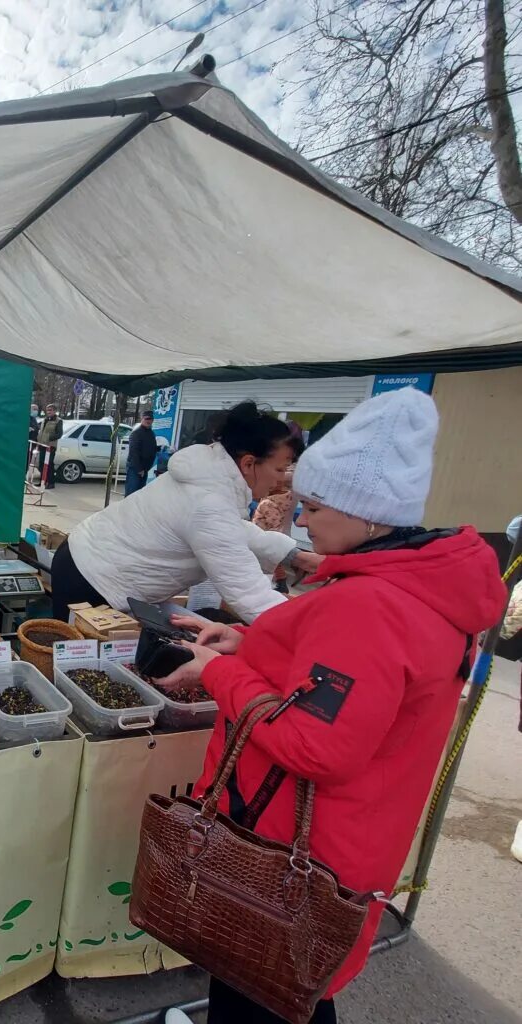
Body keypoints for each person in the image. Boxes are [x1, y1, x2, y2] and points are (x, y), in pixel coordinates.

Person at [152, 387, 506, 1024]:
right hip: (351, 835)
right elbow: (340, 679)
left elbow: (317, 744)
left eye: (312, 506)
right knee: (294, 982)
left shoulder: (371, 605)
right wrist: (249, 641)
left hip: (299, 839)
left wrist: (224, 672)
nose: (301, 521)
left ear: (367, 513)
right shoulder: (407, 583)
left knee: (261, 976)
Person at [50, 401, 322, 624]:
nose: (281, 480)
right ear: (249, 463)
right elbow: (251, 595)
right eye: (278, 469)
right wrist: (313, 630)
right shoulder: (209, 502)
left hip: (84, 555)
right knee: (72, 662)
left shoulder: (209, 475)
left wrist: (296, 556)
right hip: (92, 578)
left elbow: (232, 530)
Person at [125, 411, 158, 496]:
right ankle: (127, 509)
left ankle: (135, 509)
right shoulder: (136, 433)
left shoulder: (151, 433)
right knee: (131, 494)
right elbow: (134, 452)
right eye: (146, 418)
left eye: (151, 419)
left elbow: (151, 448)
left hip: (145, 469)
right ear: (142, 419)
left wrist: (160, 448)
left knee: (140, 494)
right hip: (135, 469)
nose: (149, 421)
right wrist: (139, 469)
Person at [36, 404, 63, 489]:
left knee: (49, 464)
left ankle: (51, 483)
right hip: (42, 445)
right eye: (47, 410)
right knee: (41, 464)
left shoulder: (58, 421)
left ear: (54, 411)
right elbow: (41, 431)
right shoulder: (45, 419)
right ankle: (42, 481)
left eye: (50, 410)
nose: (48, 412)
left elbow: (59, 434)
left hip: (50, 446)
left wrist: (49, 437)